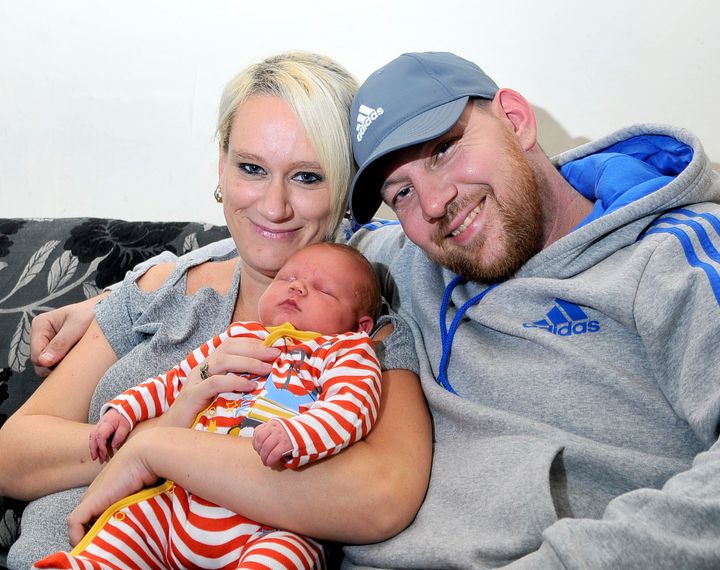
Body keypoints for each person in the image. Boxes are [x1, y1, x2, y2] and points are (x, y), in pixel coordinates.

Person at [33, 50, 720, 569]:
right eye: (402, 191)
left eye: (447, 151)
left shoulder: (674, 258)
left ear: (515, 118)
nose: (437, 203)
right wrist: (121, 290)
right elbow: (279, 237)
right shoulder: (413, 256)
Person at [0, 51, 431, 569]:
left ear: (346, 186)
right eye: (252, 168)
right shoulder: (164, 287)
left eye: (308, 178)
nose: (274, 207)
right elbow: (14, 451)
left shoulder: (364, 335)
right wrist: (165, 424)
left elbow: (382, 495)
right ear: (222, 162)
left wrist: (162, 453)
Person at [35, 242, 383, 569]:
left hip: (271, 521)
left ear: (360, 325)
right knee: (134, 521)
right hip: (185, 499)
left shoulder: (345, 351)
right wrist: (125, 410)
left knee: (288, 554)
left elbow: (351, 409)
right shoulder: (237, 337)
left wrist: (297, 435)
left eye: (322, 289)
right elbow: (173, 382)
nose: (297, 288)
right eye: (287, 278)